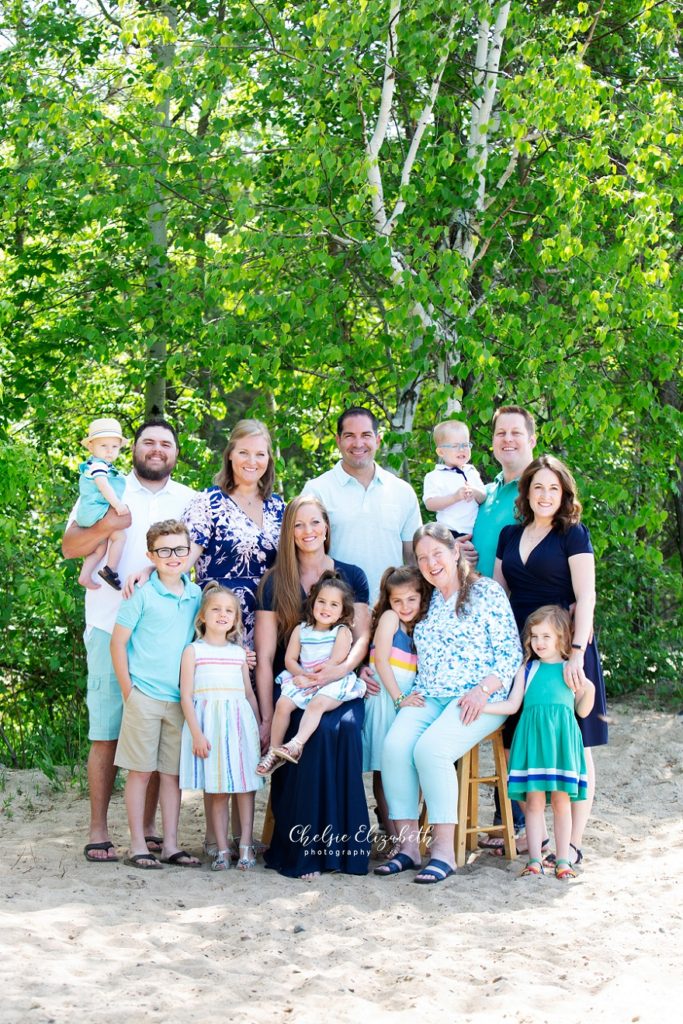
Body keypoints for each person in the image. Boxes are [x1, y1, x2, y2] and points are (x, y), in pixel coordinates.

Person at [62, 417, 196, 863]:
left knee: (158, 729)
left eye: (166, 443)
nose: (157, 449)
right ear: (132, 448)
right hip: (108, 624)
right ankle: (99, 828)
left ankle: (148, 828)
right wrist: (113, 522)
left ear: (176, 452)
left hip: (166, 636)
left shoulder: (190, 500)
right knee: (105, 732)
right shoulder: (107, 486)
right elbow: (70, 547)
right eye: (148, 442)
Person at [376, 524, 522, 885]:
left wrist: (483, 690)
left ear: (456, 552)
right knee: (394, 747)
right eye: (422, 558)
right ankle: (408, 848)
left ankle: (443, 853)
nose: (430, 563)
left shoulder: (486, 592)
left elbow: (511, 653)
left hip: (476, 698)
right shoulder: (427, 601)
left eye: (437, 554)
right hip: (430, 694)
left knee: (430, 751)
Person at [494, 453, 608, 865]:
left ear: (564, 494)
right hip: (523, 653)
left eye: (553, 488)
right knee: (523, 741)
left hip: (565, 650)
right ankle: (535, 836)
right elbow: (497, 594)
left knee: (577, 744)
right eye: (537, 487)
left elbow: (587, 596)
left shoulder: (572, 535)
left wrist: (576, 652)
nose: (545, 495)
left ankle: (573, 843)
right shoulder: (509, 535)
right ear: (526, 492)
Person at [255, 494, 371, 878]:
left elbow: (361, 638)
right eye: (299, 524)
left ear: (326, 528)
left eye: (315, 523)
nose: (308, 531)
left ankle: (342, 851)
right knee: (299, 733)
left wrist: (338, 672)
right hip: (294, 680)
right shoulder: (275, 581)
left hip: (337, 680)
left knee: (342, 727)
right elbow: (268, 651)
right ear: (289, 531)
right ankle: (300, 852)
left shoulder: (351, 576)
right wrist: (266, 712)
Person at [110, 520, 202, 869]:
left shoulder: (195, 595)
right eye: (164, 551)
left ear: (188, 553)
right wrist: (128, 691)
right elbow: (117, 643)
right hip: (144, 695)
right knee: (140, 772)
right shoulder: (142, 594)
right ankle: (137, 845)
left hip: (180, 699)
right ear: (151, 555)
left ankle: (172, 845)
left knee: (171, 775)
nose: (173, 556)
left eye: (180, 549)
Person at [487, 606, 595, 880]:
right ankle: (534, 860)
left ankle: (562, 860)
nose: (539, 642)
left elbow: (582, 711)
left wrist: (589, 688)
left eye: (546, 636)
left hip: (560, 744)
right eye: (534, 636)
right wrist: (482, 706)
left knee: (561, 803)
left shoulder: (569, 670)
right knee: (534, 803)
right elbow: (513, 705)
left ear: (561, 636)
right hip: (533, 743)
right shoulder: (527, 668)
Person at [179, 582, 263, 872]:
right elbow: (186, 696)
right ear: (202, 616)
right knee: (216, 790)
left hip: (240, 728)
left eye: (229, 610)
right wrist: (196, 734)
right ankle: (222, 850)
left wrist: (260, 726)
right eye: (215, 609)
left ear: (236, 619)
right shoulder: (193, 651)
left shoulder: (239, 653)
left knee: (245, 787)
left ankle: (245, 846)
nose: (222, 614)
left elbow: (249, 694)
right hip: (209, 730)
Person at [181, 419, 284, 650]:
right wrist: (153, 571)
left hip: (270, 620)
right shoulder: (207, 503)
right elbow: (182, 560)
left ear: (268, 459)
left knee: (265, 684)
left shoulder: (280, 507)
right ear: (230, 455)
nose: (252, 461)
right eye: (244, 453)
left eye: (260, 454)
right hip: (222, 622)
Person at [303, 406, 422, 603]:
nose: (358, 443)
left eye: (366, 435)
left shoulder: (402, 491)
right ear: (338, 441)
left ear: (377, 439)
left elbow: (413, 558)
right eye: (350, 435)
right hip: (334, 613)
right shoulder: (316, 490)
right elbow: (302, 557)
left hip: (391, 610)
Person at [257, 571, 366, 773]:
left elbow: (336, 661)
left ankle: (296, 744)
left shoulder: (341, 631)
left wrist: (315, 680)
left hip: (330, 681)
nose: (326, 608)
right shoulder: (301, 630)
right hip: (304, 676)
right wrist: (301, 675)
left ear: (342, 611)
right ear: (313, 602)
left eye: (334, 604)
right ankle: (274, 751)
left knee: (316, 705)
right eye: (322, 601)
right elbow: (290, 659)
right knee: (282, 704)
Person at [361, 565, 430, 853]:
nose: (404, 606)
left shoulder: (416, 626)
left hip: (403, 701)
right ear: (388, 602)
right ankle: (396, 838)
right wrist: (399, 698)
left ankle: (404, 837)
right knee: (384, 769)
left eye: (411, 599)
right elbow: (381, 662)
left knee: (403, 770)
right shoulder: (389, 619)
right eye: (397, 600)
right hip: (385, 700)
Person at [467, 405, 537, 576]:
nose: (507, 439)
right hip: (474, 598)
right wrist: (457, 552)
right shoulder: (481, 494)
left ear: (532, 441)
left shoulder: (541, 494)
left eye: (516, 433)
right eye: (500, 433)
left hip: (519, 601)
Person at [77, 417, 129, 591]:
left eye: (114, 447)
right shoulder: (98, 466)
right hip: (96, 511)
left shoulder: (94, 465)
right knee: (120, 536)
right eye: (103, 446)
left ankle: (84, 576)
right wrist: (117, 505)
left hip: (88, 514)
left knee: (100, 548)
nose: (109, 451)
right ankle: (110, 569)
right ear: (91, 447)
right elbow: (103, 486)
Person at [422, 420, 485, 538]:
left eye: (465, 445)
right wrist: (454, 497)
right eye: (455, 446)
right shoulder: (435, 476)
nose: (462, 449)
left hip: (475, 532)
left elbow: (483, 497)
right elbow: (430, 504)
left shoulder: (471, 471)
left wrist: (475, 492)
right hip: (449, 533)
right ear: (441, 451)